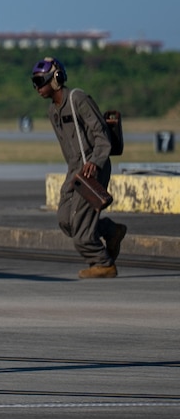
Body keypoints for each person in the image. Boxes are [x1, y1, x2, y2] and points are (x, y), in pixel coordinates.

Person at [32, 57, 127, 278]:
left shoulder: (78, 99)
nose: (37, 87)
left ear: (56, 79)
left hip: (93, 168)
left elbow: (102, 136)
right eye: (34, 82)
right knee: (66, 220)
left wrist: (95, 162)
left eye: (40, 81)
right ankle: (111, 230)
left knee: (81, 233)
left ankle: (103, 263)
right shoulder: (53, 111)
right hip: (75, 170)